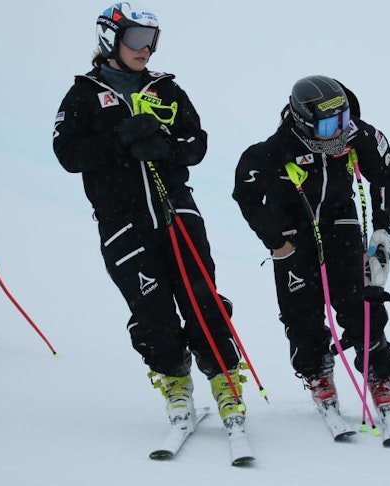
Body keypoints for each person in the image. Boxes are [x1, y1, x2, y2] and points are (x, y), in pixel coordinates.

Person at [52, 3, 247, 436]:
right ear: (110, 39)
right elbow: (68, 154)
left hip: (175, 209)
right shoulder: (82, 95)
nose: (146, 49)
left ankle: (226, 382)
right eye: (137, 39)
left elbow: (197, 142)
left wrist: (167, 148)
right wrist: (119, 139)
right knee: (151, 310)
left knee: (201, 298)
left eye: (152, 40)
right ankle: (176, 385)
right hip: (122, 221)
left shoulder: (165, 88)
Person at [232, 75, 390, 440]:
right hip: (293, 233)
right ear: (303, 121)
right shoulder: (276, 149)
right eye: (328, 126)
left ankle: (380, 374)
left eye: (343, 119)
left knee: (360, 302)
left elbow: (385, 176)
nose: (339, 131)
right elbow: (245, 192)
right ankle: (317, 373)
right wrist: (275, 241)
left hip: (340, 222)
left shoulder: (358, 135)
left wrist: (382, 229)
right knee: (300, 311)